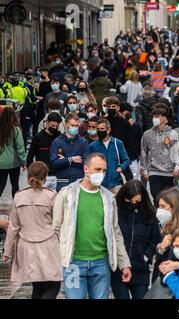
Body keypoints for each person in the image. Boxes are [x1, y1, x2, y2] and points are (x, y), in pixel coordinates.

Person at [53, 152, 132, 299]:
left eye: (103, 170)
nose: (101, 173)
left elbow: (115, 232)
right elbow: (56, 228)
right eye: (97, 169)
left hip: (100, 263)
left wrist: (124, 264)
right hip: (73, 263)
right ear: (85, 169)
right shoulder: (67, 194)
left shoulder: (109, 198)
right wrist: (61, 256)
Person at [2, 161, 62, 299]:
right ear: (45, 176)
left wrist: (7, 251)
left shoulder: (19, 196)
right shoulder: (52, 195)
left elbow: (13, 227)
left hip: (27, 246)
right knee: (53, 285)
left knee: (37, 287)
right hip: (49, 246)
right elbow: (59, 224)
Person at [111, 180, 161, 299]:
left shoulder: (149, 214)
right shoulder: (116, 212)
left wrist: (145, 256)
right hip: (118, 270)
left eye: (136, 201)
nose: (133, 203)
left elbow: (155, 239)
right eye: (130, 201)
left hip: (140, 269)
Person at [141, 107, 179, 205]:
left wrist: (178, 166)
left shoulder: (172, 134)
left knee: (170, 201)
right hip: (154, 172)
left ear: (165, 119)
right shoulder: (147, 134)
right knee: (157, 199)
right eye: (154, 116)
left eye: (157, 116)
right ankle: (158, 219)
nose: (154, 118)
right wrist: (144, 170)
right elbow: (144, 152)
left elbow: (178, 151)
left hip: (169, 172)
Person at [88, 118, 130, 193]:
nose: (100, 131)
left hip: (116, 184)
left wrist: (121, 167)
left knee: (117, 204)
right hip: (100, 185)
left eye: (102, 129)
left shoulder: (118, 143)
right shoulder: (93, 146)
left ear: (108, 130)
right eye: (98, 129)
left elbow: (126, 160)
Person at [50, 113, 90, 191]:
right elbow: (55, 164)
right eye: (72, 125)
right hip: (63, 181)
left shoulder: (83, 142)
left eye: (77, 126)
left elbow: (86, 163)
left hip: (79, 180)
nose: (75, 128)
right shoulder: (57, 142)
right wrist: (71, 159)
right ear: (66, 125)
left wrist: (65, 160)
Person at [27, 112, 63, 190]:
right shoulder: (38, 137)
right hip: (41, 176)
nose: (54, 128)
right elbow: (30, 157)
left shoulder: (60, 137)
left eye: (56, 126)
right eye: (52, 126)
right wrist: (32, 174)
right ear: (47, 123)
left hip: (57, 175)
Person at [0, 107, 26, 198]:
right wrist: (23, 162)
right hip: (13, 163)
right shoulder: (15, 130)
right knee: (15, 185)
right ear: (13, 116)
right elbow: (20, 148)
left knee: (1, 185)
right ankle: (16, 206)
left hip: (1, 163)